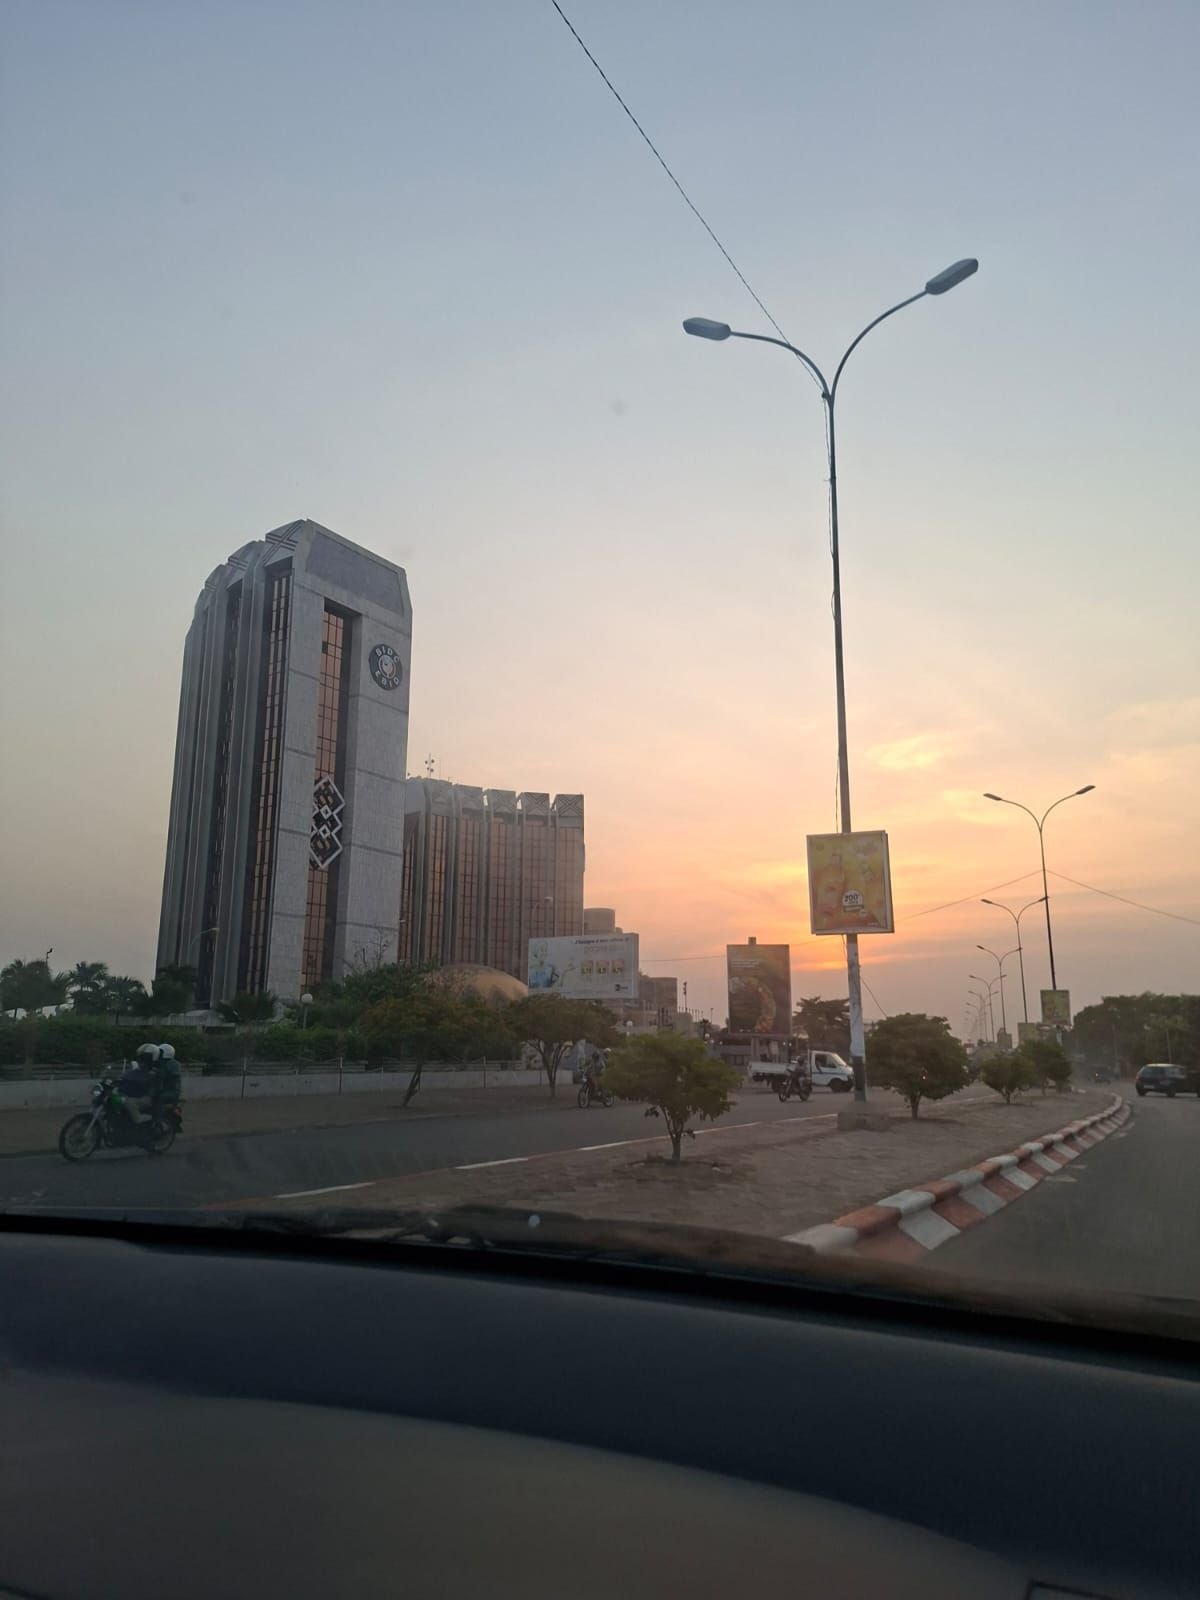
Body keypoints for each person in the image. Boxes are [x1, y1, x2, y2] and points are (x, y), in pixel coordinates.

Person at [115, 1042, 161, 1132]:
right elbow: (127, 1076)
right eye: (141, 1057)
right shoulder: (137, 1068)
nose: (142, 1059)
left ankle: (138, 1119)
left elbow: (148, 1083)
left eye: (145, 1057)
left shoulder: (154, 1072)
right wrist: (118, 1080)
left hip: (147, 1097)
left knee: (129, 1102)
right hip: (136, 1095)